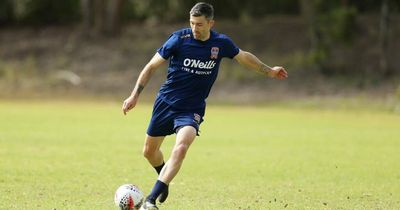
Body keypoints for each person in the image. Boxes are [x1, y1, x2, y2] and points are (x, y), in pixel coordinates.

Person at [122, 2, 288, 210]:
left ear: (211, 23)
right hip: (165, 103)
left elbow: (243, 56)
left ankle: (150, 200)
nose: (195, 28)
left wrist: (269, 70)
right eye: (192, 23)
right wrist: (134, 95)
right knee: (149, 152)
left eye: (199, 24)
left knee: (181, 147)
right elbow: (151, 66)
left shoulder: (221, 43)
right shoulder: (178, 39)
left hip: (192, 109)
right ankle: (163, 178)